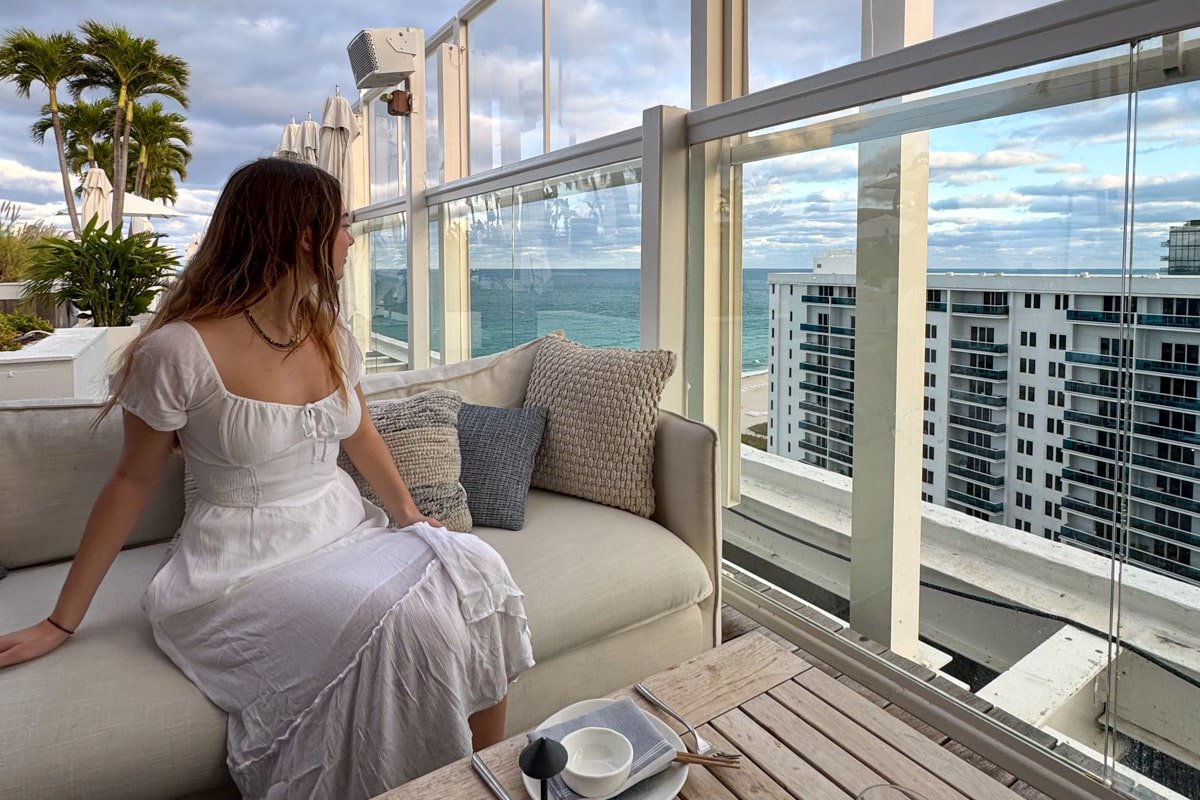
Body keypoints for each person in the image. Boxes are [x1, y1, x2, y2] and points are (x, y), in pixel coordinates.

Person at [0, 158, 535, 799]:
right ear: (302, 236)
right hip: (242, 568)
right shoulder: (179, 350)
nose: (352, 240)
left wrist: (410, 518)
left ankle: (483, 780)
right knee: (413, 625)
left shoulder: (328, 331)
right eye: (342, 225)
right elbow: (130, 483)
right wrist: (62, 621)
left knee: (473, 565)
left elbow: (359, 433)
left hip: (342, 529)